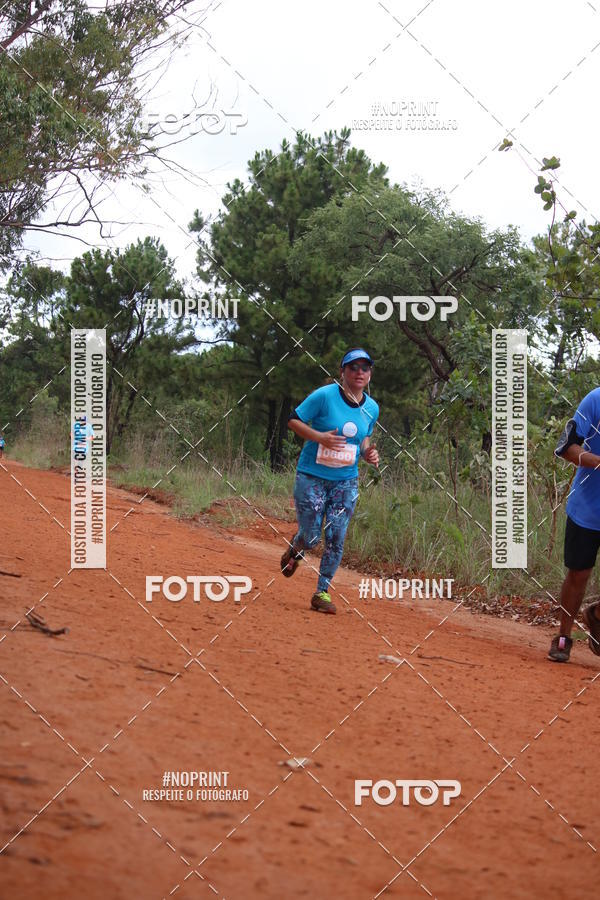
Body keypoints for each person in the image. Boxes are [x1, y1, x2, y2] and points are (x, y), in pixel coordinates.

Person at [280, 348, 380, 614]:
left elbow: (364, 438)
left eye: (365, 368)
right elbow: (293, 420)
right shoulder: (324, 396)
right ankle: (297, 547)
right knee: (312, 537)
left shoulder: (371, 408)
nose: (359, 372)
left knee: (336, 536)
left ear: (370, 374)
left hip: (345, 482)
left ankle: (321, 592)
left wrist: (368, 453)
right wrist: (319, 437)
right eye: (353, 367)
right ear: (342, 372)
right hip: (311, 477)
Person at [549, 386, 600, 661]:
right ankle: (563, 636)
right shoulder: (595, 400)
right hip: (587, 508)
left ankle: (596, 615)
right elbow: (567, 448)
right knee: (579, 574)